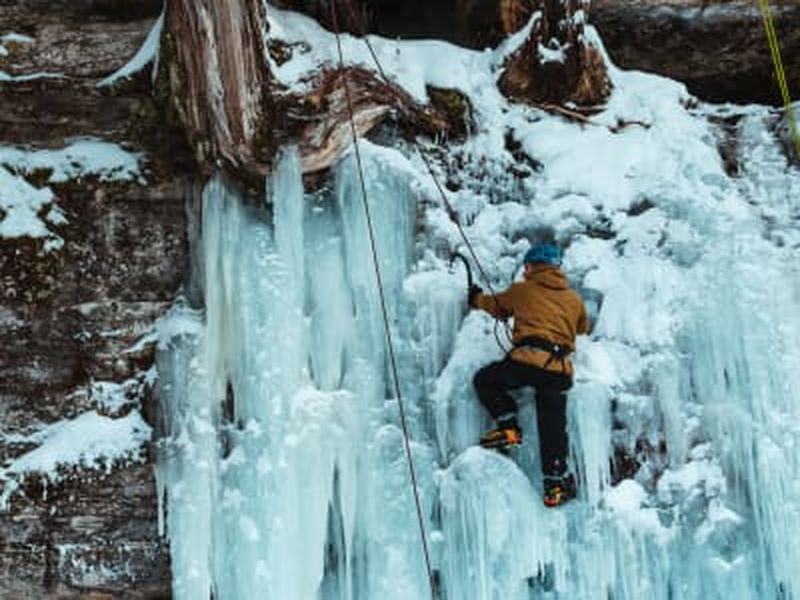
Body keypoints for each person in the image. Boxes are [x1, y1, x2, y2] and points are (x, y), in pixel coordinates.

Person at [468, 242, 589, 507]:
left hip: (527, 363)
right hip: (558, 371)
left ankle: (509, 427)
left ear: (533, 266)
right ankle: (555, 485)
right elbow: (582, 327)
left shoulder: (523, 290)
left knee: (485, 380)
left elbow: (496, 305)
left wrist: (475, 298)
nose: (525, 270)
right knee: (552, 427)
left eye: (527, 266)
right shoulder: (574, 298)